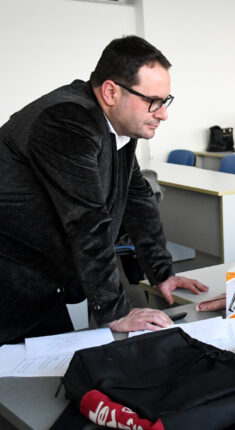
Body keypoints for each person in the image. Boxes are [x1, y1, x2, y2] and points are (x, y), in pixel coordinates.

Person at [0, 36, 209, 345]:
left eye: (166, 101)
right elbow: (87, 219)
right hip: (11, 281)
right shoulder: (66, 121)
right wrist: (115, 311)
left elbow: (137, 196)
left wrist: (162, 272)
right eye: (153, 101)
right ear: (111, 92)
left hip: (38, 280)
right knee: (25, 387)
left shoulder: (117, 127)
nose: (163, 113)